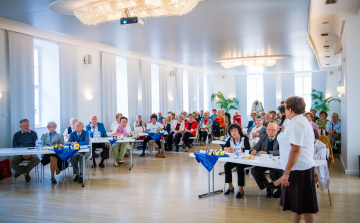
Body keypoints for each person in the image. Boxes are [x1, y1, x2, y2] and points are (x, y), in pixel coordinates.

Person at [268, 96, 318, 223]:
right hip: (299, 167)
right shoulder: (297, 120)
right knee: (298, 204)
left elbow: (295, 149)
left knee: (304, 205)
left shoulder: (297, 123)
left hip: (298, 168)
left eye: (285, 108)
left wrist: (286, 172)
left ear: (289, 109)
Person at [250, 122, 282, 198]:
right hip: (265, 162)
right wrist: (253, 150)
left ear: (277, 130)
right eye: (269, 130)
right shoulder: (263, 137)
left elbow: (281, 151)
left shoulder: (280, 138)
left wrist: (267, 153)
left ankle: (279, 189)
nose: (270, 132)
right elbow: (256, 147)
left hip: (276, 163)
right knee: (254, 171)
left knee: (274, 173)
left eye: (273, 130)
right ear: (266, 130)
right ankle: (268, 187)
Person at [223, 124, 251, 199]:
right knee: (226, 166)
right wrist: (226, 149)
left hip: (244, 159)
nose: (233, 132)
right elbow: (224, 147)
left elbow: (247, 148)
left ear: (239, 130)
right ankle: (230, 187)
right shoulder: (230, 139)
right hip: (235, 159)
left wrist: (235, 150)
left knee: (239, 167)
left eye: (235, 130)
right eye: (231, 131)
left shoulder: (244, 138)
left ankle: (240, 190)